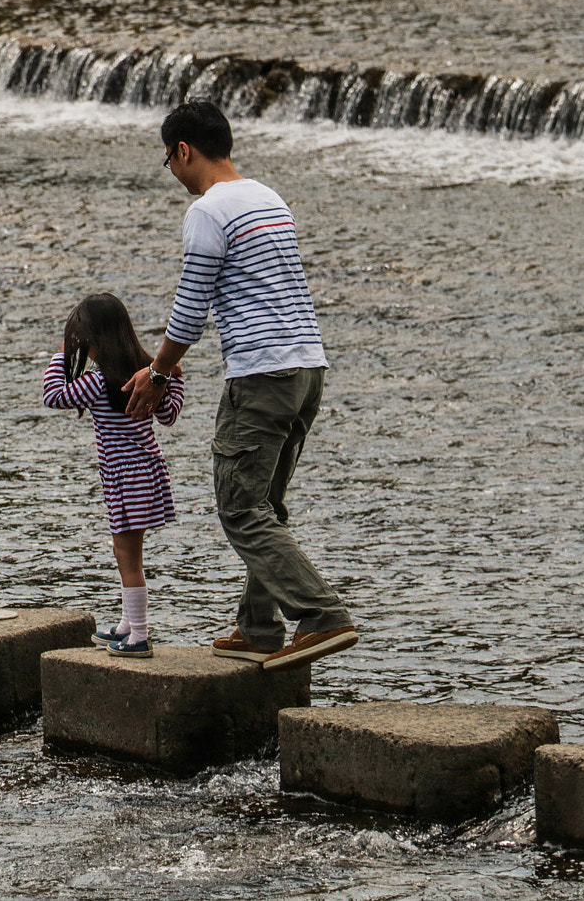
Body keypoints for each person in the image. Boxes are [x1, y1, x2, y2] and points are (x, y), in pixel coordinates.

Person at [124, 100, 357, 671]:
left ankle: (322, 615)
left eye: (170, 161)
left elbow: (190, 306)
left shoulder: (209, 210)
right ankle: (258, 629)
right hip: (307, 370)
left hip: (261, 374)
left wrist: (157, 372)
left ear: (184, 151)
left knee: (238, 507)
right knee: (265, 505)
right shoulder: (268, 196)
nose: (173, 174)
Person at [42, 293, 185, 658]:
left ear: (96, 341)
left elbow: (53, 396)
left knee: (127, 555)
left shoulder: (98, 381)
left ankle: (139, 635)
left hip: (126, 477)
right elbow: (169, 416)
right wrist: (173, 379)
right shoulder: (147, 374)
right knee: (128, 553)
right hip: (144, 473)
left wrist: (61, 354)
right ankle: (127, 623)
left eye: (83, 342)